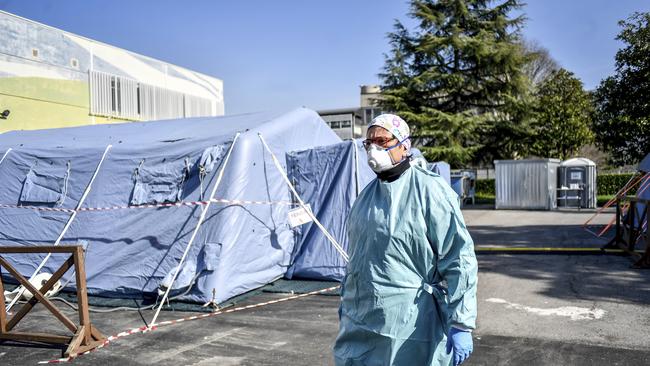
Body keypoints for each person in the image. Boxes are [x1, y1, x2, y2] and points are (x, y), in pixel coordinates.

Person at [333, 114, 478, 366]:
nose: (374, 149)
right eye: (369, 143)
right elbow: (358, 259)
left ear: (404, 145)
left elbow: (459, 258)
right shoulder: (365, 198)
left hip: (412, 325)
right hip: (361, 322)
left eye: (382, 141)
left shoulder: (429, 190)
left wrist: (461, 323)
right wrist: (347, 302)